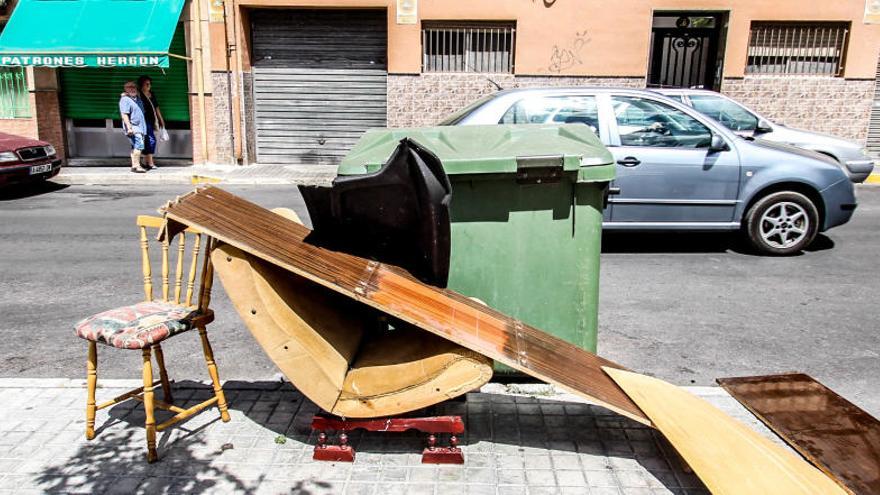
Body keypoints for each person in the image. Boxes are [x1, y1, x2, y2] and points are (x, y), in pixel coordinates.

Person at [119, 81, 148, 173]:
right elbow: (124, 114)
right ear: (125, 89)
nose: (132, 89)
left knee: (135, 146)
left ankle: (134, 165)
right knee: (139, 145)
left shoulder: (137, 98)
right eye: (129, 87)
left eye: (134, 87)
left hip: (140, 127)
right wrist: (129, 127)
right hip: (134, 127)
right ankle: (137, 166)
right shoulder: (125, 100)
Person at [137, 75, 165, 169]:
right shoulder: (138, 94)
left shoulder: (151, 94)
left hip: (151, 120)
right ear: (142, 85)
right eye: (146, 84)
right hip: (143, 121)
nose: (149, 86)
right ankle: (150, 162)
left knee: (148, 140)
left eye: (149, 84)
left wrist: (161, 120)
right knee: (151, 140)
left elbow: (156, 107)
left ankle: (146, 161)